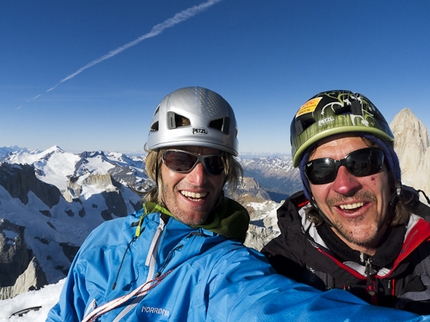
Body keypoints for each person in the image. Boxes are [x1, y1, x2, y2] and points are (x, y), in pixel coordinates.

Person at [47, 87, 429, 321]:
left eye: (213, 164)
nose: (198, 179)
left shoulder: (231, 265)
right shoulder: (104, 240)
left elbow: (271, 309)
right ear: (156, 167)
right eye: (181, 160)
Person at [262, 89, 430, 314]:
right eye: (321, 170)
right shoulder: (278, 267)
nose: (344, 185)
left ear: (391, 174)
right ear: (310, 190)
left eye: (364, 162)